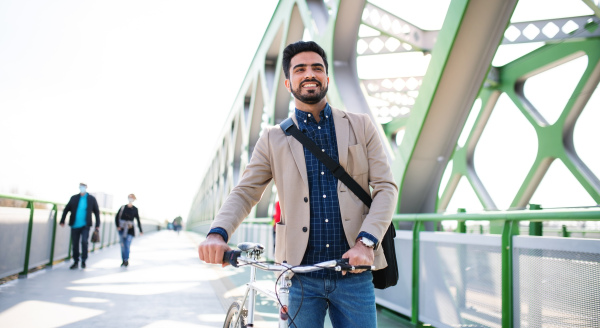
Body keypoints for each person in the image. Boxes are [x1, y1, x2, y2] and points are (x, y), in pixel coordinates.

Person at [198, 41, 398, 327]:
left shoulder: (361, 125)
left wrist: (366, 243)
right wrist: (217, 233)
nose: (309, 74)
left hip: (354, 272)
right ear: (287, 82)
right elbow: (245, 192)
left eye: (317, 68)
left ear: (327, 78)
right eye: (300, 69)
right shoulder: (272, 139)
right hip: (298, 277)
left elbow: (386, 187)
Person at [60, 183, 101, 269]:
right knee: (75, 244)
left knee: (84, 242)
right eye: (81, 187)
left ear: (86, 188)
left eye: (83, 187)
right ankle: (75, 261)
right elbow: (66, 209)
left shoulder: (91, 199)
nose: (82, 188)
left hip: (85, 225)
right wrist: (62, 220)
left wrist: (97, 225)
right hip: (75, 225)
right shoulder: (74, 198)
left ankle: (83, 261)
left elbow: (96, 212)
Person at [115, 194, 143, 267]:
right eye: (129, 197)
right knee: (122, 245)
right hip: (122, 229)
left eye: (132, 198)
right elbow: (117, 217)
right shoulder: (122, 207)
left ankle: (126, 260)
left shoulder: (135, 209)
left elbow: (138, 220)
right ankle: (123, 260)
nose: (130, 199)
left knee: (127, 245)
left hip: (130, 230)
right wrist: (118, 226)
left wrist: (141, 230)